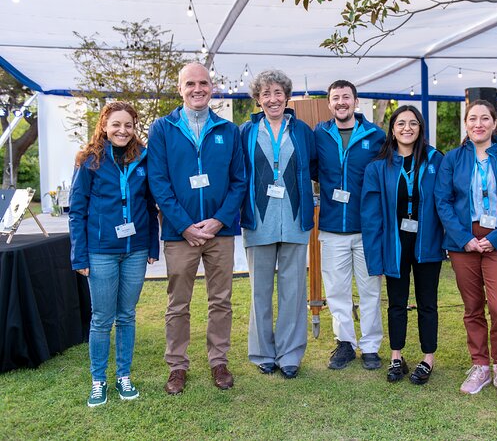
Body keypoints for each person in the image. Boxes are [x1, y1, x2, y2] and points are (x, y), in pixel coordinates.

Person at [148, 62, 246, 395]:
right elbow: (158, 183)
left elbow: (239, 181)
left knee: (221, 300)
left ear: (212, 87)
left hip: (221, 232)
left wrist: (219, 220)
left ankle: (219, 360)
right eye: (190, 83)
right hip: (180, 234)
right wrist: (185, 225)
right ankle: (177, 365)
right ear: (180, 88)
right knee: (178, 303)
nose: (197, 89)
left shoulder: (228, 130)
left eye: (203, 83)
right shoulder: (162, 129)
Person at [434, 99, 497, 399]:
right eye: (473, 118)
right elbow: (443, 201)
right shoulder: (452, 159)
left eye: (485, 118)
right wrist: (464, 238)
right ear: (466, 123)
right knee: (472, 308)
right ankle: (480, 365)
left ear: (494, 123)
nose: (479, 123)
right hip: (464, 242)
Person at [69, 101, 160, 407]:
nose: (123, 131)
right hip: (101, 252)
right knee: (101, 318)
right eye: (117, 125)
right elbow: (77, 211)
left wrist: (152, 244)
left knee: (127, 315)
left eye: (129, 125)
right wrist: (79, 256)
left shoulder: (144, 158)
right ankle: (98, 380)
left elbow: (150, 205)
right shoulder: (88, 160)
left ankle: (123, 375)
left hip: (135, 250)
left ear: (135, 129)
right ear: (104, 126)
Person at [240, 69, 316, 379]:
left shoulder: (302, 131)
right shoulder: (244, 131)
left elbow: (316, 167)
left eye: (278, 93)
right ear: (257, 99)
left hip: (295, 218)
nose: (273, 99)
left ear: (286, 96)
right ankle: (262, 352)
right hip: (258, 219)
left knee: (293, 290)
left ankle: (290, 354)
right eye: (266, 94)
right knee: (260, 291)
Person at [361, 105, 444, 384]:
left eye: (413, 123)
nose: (407, 128)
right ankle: (396, 357)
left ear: (420, 128)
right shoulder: (378, 167)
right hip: (394, 244)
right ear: (392, 130)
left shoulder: (435, 160)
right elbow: (370, 216)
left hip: (427, 242)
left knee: (427, 303)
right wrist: (375, 257)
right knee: (396, 302)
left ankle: (427, 358)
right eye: (401, 124)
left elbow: (445, 203)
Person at [313, 80, 386, 371]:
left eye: (346, 97)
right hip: (331, 227)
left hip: (366, 228)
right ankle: (344, 343)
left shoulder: (375, 135)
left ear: (356, 102)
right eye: (335, 98)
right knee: (336, 291)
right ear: (329, 104)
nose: (341, 102)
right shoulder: (320, 134)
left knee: (370, 290)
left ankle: (370, 346)